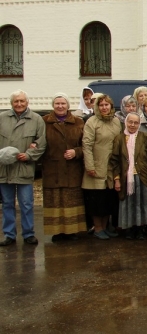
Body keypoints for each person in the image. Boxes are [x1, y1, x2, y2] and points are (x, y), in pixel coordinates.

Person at [0, 90, 47, 246]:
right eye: (16, 101)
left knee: (26, 204)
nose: (19, 104)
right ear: (11, 103)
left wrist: (28, 155)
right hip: (4, 169)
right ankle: (9, 234)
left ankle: (28, 234)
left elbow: (41, 143)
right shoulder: (2, 118)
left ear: (27, 102)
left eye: (22, 101)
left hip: (24, 168)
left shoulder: (36, 120)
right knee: (7, 203)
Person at [41, 93, 86, 242]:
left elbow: (85, 145)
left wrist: (76, 152)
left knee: (71, 200)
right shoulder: (44, 122)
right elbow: (38, 141)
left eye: (63, 103)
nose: (60, 106)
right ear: (53, 106)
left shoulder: (78, 122)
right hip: (52, 169)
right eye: (57, 104)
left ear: (68, 105)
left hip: (72, 169)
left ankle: (72, 231)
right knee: (55, 200)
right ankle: (56, 232)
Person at [111, 113, 147, 240]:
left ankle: (141, 228)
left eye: (136, 123)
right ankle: (130, 229)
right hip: (126, 178)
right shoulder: (119, 139)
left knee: (143, 203)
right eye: (130, 122)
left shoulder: (145, 137)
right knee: (129, 204)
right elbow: (114, 161)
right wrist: (116, 179)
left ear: (139, 124)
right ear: (126, 123)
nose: (132, 125)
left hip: (142, 176)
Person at [81, 94, 122, 240]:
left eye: (107, 104)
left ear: (111, 106)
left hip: (112, 166)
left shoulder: (116, 121)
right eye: (101, 105)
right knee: (97, 201)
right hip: (97, 165)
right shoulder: (92, 122)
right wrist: (90, 165)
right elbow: (86, 145)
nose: (104, 107)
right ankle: (98, 228)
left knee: (108, 200)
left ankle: (105, 227)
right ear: (97, 107)